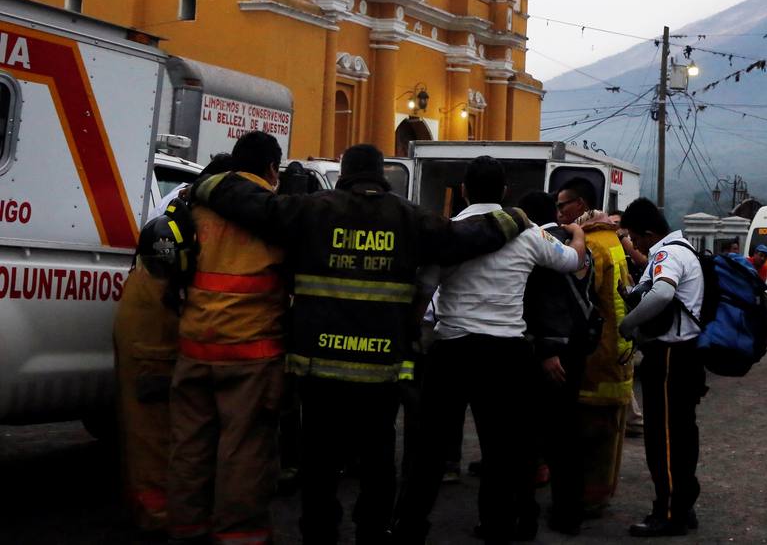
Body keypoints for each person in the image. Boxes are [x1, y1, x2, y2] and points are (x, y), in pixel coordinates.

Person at [194, 143, 525, 545]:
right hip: (380, 372)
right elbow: (461, 237)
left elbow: (259, 207)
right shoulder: (408, 218)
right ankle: (372, 531)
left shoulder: (312, 210)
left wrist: (208, 184)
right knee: (378, 459)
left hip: (320, 368)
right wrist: (514, 219)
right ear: (381, 176)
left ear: (345, 173)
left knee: (319, 460)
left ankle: (319, 533)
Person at [395, 156, 587, 545]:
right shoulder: (530, 234)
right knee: (503, 450)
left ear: (464, 190)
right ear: (504, 192)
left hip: (451, 350)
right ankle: (497, 526)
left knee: (428, 449)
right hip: (505, 354)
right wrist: (578, 236)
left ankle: (409, 526)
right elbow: (571, 262)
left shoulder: (449, 233)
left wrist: (412, 338)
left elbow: (423, 291)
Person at [166, 132, 287, 545]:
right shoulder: (276, 213)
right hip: (251, 350)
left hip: (195, 343)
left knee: (190, 443)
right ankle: (240, 534)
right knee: (244, 448)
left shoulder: (196, 206)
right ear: (273, 169)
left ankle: (186, 527)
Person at [114, 154, 230, 535]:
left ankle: (155, 512)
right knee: (152, 430)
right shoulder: (200, 215)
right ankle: (157, 519)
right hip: (154, 326)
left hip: (149, 314)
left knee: (154, 427)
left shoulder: (180, 204)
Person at [619, 198, 706, 538]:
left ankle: (668, 513)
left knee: (664, 438)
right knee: (683, 435)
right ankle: (683, 506)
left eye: (635, 237)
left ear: (650, 232)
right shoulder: (686, 250)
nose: (635, 245)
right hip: (687, 354)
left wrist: (629, 325)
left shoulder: (667, 254)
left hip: (670, 356)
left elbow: (662, 295)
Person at [556, 179, 638, 516]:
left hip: (598, 354)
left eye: (563, 205)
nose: (558, 212)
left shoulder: (591, 245)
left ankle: (589, 498)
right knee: (610, 431)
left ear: (580, 204)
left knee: (592, 431)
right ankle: (601, 492)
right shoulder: (612, 240)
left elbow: (583, 302)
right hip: (618, 348)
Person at [518, 190, 596, 535]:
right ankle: (570, 511)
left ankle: (531, 514)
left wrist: (547, 349)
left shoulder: (538, 244)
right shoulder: (579, 243)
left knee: (536, 433)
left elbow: (544, 299)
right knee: (567, 433)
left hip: (551, 351)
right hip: (578, 347)